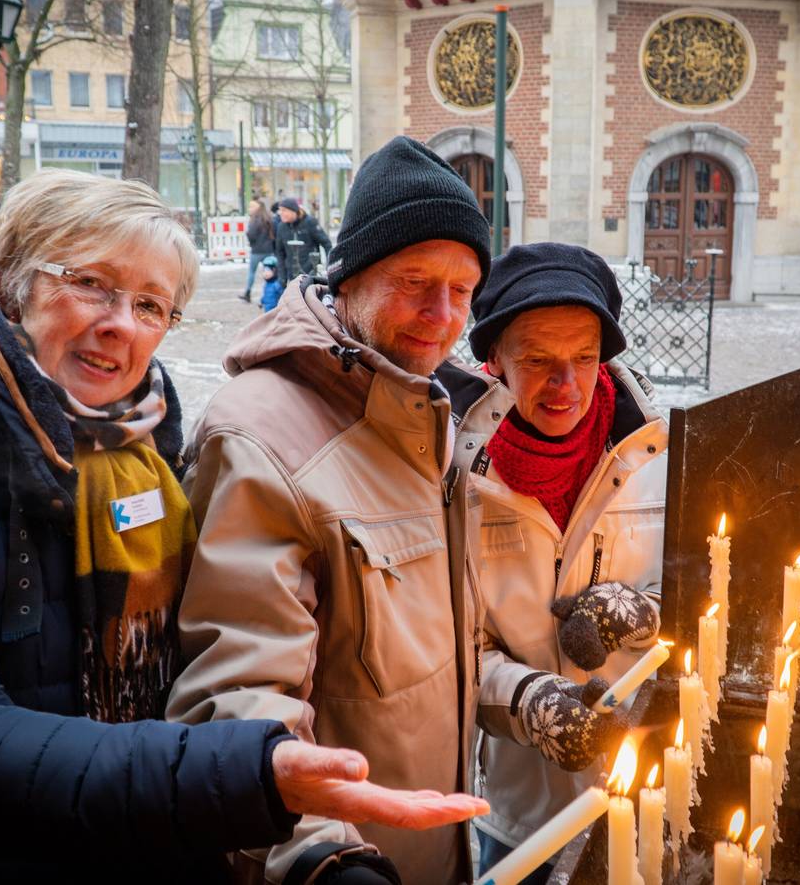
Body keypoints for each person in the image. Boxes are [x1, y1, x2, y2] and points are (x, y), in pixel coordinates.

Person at [0, 169, 486, 884]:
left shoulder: (138, 452)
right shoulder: (248, 432)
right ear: (11, 282)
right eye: (90, 283)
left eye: (151, 304)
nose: (120, 323)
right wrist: (267, 791)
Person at [167, 136, 533, 884]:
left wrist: (527, 696)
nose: (442, 314)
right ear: (352, 277)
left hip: (432, 848)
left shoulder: (430, 417)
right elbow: (236, 696)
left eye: (462, 289)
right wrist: (321, 857)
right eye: (415, 281)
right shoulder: (262, 435)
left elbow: (425, 661)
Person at [467, 243, 669, 883]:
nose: (567, 384)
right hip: (520, 814)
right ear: (493, 359)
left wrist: (644, 615)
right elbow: (446, 644)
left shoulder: (655, 453)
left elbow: (712, 592)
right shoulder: (455, 476)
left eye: (584, 357)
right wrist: (528, 700)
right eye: (538, 360)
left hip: (647, 793)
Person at [274, 195, 332, 283]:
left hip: (311, 273)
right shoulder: (281, 227)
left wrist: (329, 266)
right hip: (292, 274)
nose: (280, 213)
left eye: (284, 210)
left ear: (294, 211)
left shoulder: (309, 222)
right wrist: (282, 276)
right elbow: (280, 253)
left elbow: (326, 243)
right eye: (280, 210)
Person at [240, 199, 274, 302]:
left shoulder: (255, 219)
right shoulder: (269, 218)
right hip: (268, 250)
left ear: (258, 207)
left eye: (252, 206)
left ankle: (248, 293)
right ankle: (268, 294)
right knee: (268, 271)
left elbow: (251, 234)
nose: (250, 209)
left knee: (252, 272)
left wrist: (252, 242)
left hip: (257, 251)